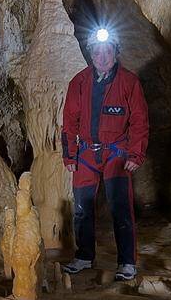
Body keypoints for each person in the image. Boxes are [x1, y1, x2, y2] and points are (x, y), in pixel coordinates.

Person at [60, 25, 148, 280]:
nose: (102, 57)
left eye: (107, 52)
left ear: (115, 53)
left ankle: (127, 263)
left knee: (120, 206)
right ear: (91, 54)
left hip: (116, 153)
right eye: (97, 53)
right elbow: (69, 122)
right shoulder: (78, 82)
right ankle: (84, 257)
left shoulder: (129, 82)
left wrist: (135, 154)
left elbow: (140, 121)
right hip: (86, 154)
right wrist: (70, 156)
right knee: (82, 208)